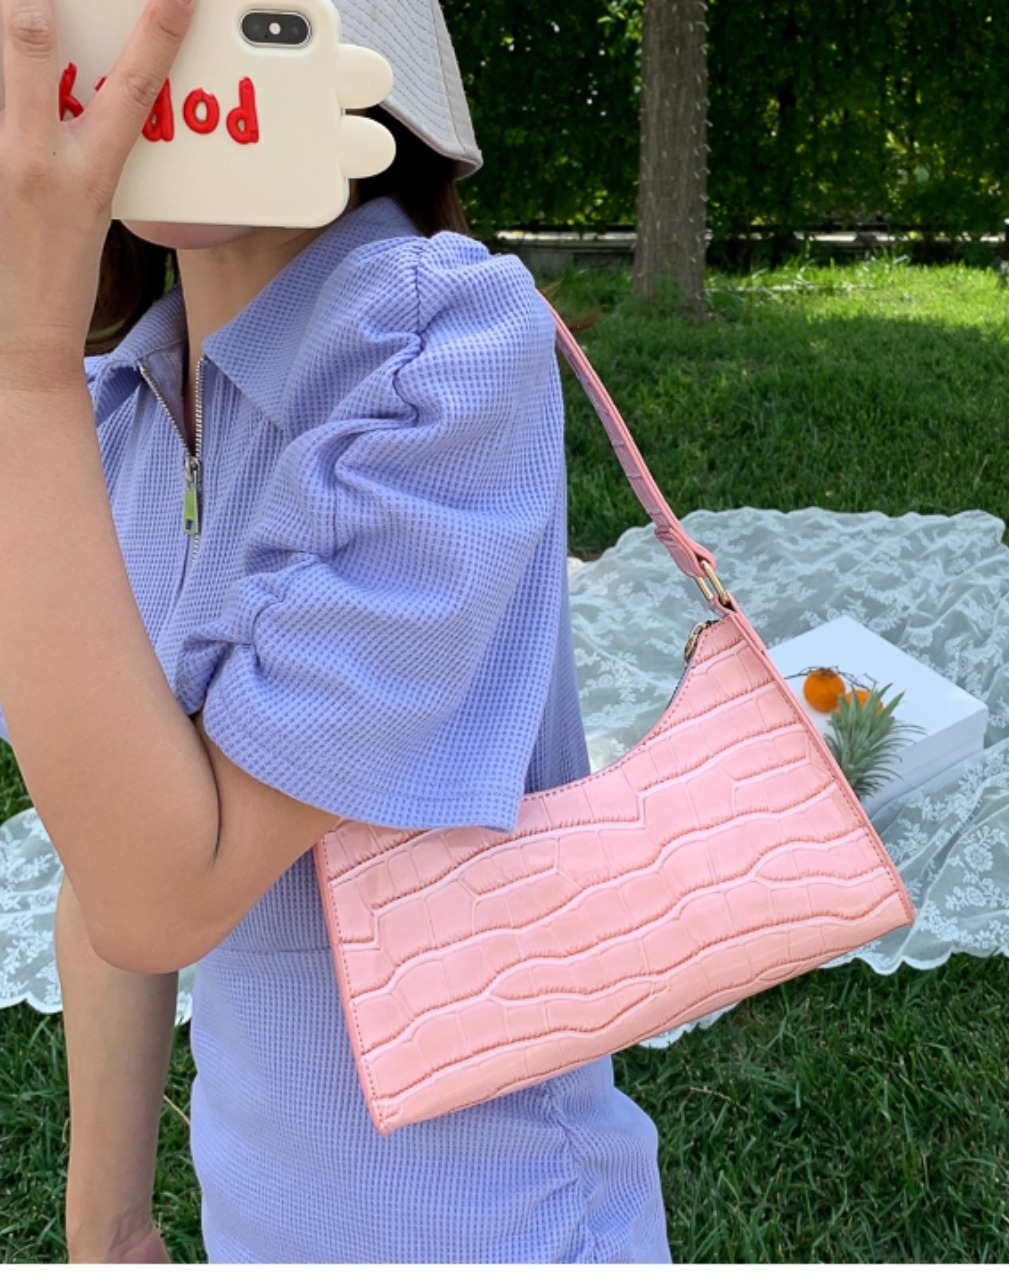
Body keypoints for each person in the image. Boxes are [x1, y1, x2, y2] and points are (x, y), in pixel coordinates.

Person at [0, 0, 671, 1263]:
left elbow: (164, 894)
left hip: (499, 1225)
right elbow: (107, 852)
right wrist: (109, 1229)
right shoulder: (109, 411)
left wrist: (20, 363)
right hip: (256, 1222)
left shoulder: (443, 345)